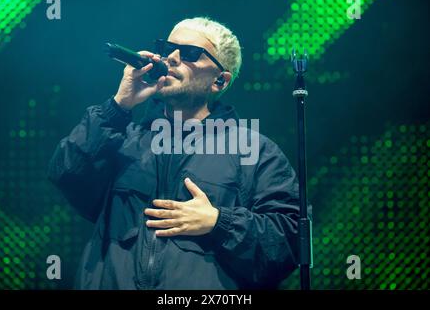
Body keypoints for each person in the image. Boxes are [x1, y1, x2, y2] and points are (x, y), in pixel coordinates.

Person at [48, 17, 300, 289]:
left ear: (219, 80)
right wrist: (119, 105)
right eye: (167, 48)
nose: (172, 58)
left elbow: (288, 242)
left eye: (191, 53)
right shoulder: (124, 138)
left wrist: (219, 222)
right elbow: (66, 172)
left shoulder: (256, 152)